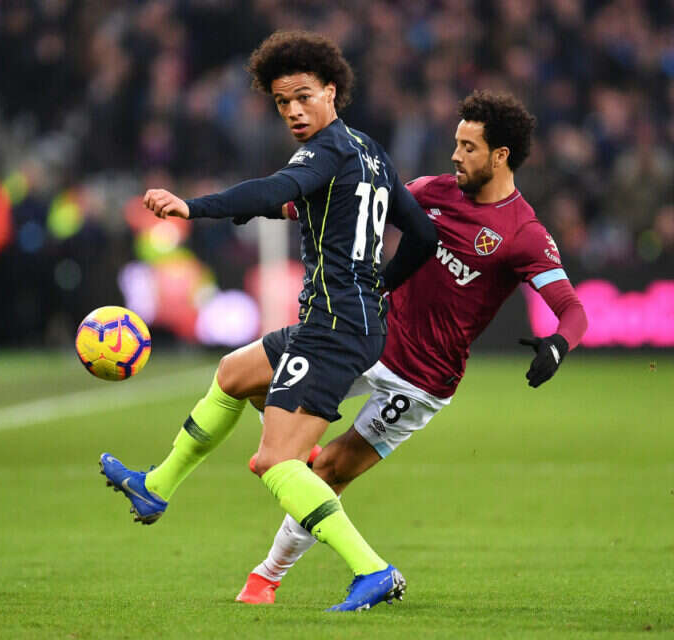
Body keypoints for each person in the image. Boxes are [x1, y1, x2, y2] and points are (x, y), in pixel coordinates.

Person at [98, 30, 437, 612]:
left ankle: (372, 570)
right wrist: (380, 286)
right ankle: (156, 487)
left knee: (276, 462)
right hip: (344, 321)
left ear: (331, 92)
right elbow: (423, 235)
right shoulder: (370, 151)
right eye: (283, 102)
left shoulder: (325, 151)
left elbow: (275, 189)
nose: (294, 111)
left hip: (333, 329)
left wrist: (193, 207)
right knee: (233, 374)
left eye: (304, 96)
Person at [235, 90, 589, 604]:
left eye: (469, 147)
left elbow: (574, 310)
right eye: (456, 143)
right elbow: (351, 204)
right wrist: (275, 207)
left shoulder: (523, 234)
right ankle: (295, 452)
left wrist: (556, 346)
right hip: (369, 340)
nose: (455, 155)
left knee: (330, 471)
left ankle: (266, 578)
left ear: (500, 156)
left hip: (420, 381)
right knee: (251, 382)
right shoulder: (432, 191)